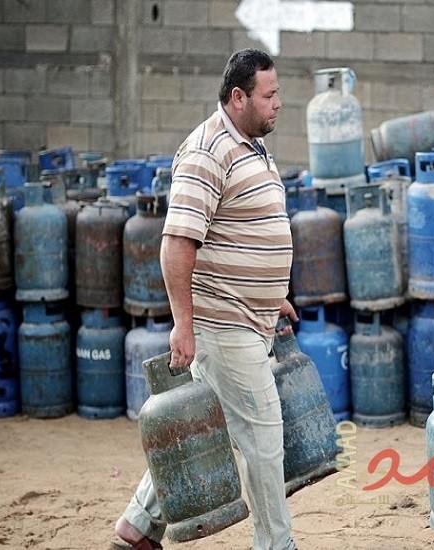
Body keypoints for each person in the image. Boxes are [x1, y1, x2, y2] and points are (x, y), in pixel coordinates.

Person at [111, 49, 299, 550]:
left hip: (248, 318)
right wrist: (183, 324)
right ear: (238, 97)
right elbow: (177, 243)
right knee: (262, 438)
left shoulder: (252, 146)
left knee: (208, 426)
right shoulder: (207, 150)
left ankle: (138, 526)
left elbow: (243, 230)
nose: (278, 103)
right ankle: (276, 544)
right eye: (269, 95)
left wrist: (273, 295)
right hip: (223, 323)